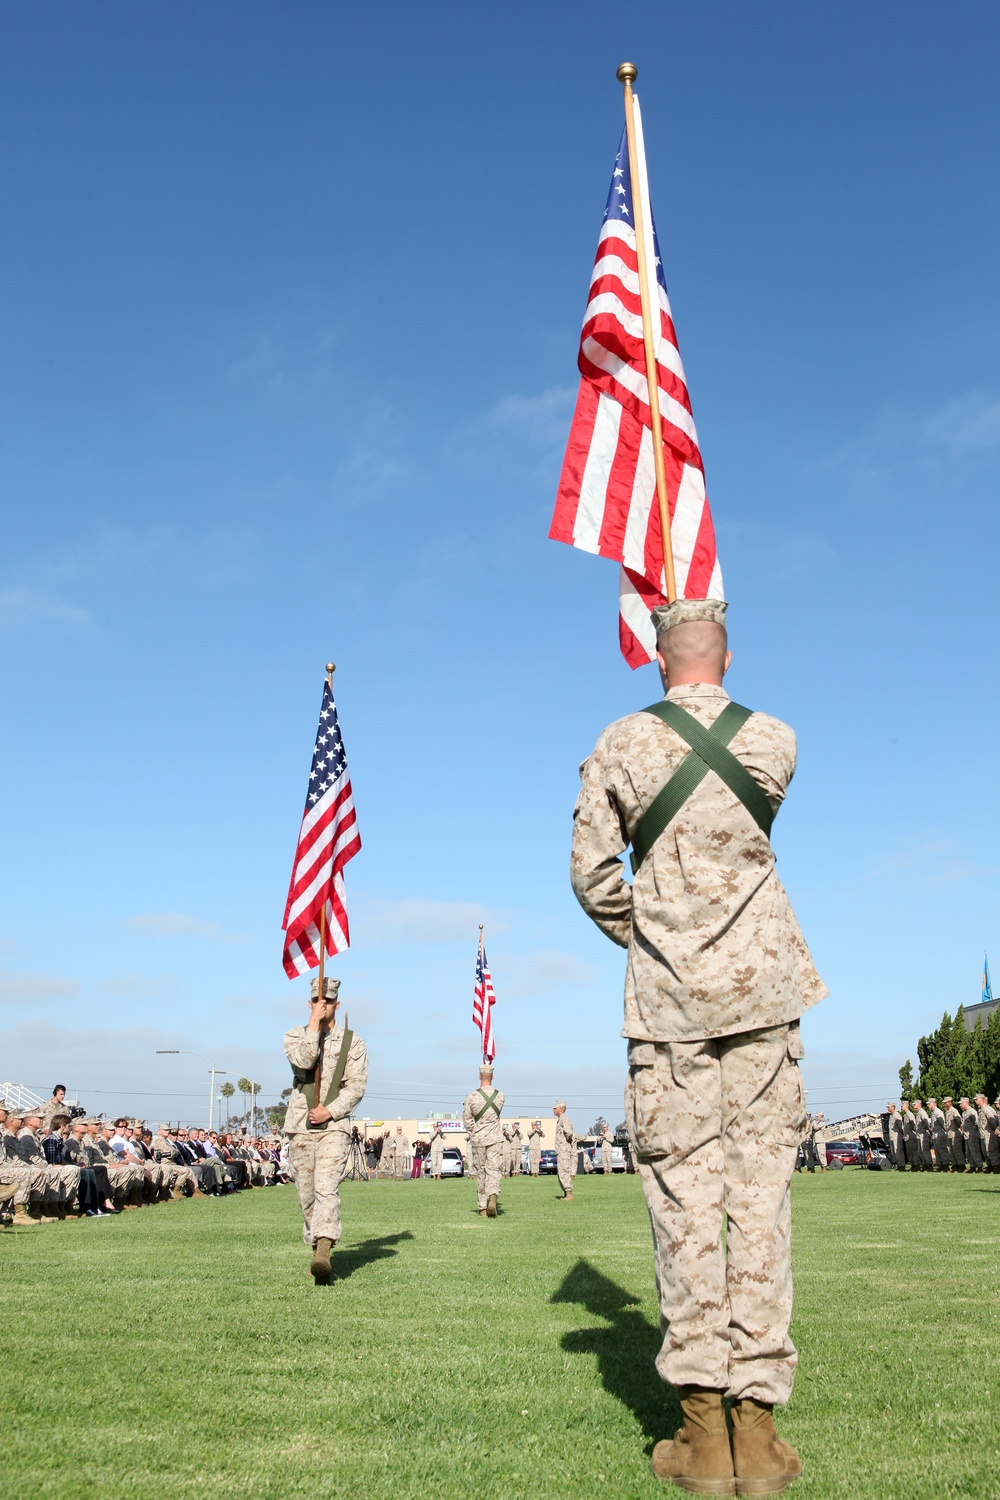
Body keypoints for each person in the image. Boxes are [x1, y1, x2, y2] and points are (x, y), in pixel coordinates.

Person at [570, 597, 826, 1494]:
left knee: (684, 1205)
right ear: (725, 652)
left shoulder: (622, 744)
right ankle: (757, 1436)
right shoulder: (776, 740)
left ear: (656, 655)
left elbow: (591, 872)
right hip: (764, 997)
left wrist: (653, 934)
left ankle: (701, 1439)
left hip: (668, 1007)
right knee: (759, 1207)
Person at [283, 975, 368, 1284]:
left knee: (325, 1187)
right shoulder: (294, 1036)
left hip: (334, 1127)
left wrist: (330, 1111)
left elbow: (356, 1086)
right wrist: (313, 1025)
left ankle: (324, 1249)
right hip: (300, 1127)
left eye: (328, 1002)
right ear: (310, 1003)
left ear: (337, 1003)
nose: (324, 1006)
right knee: (306, 1195)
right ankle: (316, 1245)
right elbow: (303, 1061)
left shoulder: (353, 1042)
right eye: (318, 1001)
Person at [462, 1064, 504, 1217]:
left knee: (481, 1172)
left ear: (479, 1076)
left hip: (478, 1139)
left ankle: (482, 1208)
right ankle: (492, 1197)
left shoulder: (471, 1097)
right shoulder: (500, 1096)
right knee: (493, 1170)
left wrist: (474, 1132)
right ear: (492, 1077)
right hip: (495, 1138)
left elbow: (467, 1119)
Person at [553, 1103, 576, 1201]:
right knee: (561, 1172)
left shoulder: (564, 1119)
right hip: (561, 1151)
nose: (553, 1109)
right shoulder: (560, 1120)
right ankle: (566, 1193)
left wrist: (569, 1140)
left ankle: (569, 1194)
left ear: (561, 1109)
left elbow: (569, 1132)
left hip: (564, 1150)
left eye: (555, 1108)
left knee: (564, 1171)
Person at [975, 1095, 999, 1172]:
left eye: (976, 1099)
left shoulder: (986, 1109)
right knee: (985, 1152)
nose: (975, 1101)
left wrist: (995, 1129)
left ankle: (996, 1166)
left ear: (981, 1099)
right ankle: (990, 1166)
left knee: (991, 1151)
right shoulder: (981, 1110)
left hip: (988, 1134)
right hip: (983, 1134)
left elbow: (992, 1119)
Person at [960, 1097, 983, 1172]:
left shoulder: (972, 1111)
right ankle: (972, 1166)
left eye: (961, 1103)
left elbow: (976, 1123)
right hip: (966, 1135)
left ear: (966, 1103)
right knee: (968, 1152)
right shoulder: (964, 1112)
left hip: (972, 1134)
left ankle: (979, 1166)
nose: (960, 1105)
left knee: (975, 1151)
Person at [943, 1097, 964, 1172]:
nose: (944, 1104)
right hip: (949, 1134)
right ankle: (955, 1164)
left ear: (950, 1102)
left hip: (955, 1133)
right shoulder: (947, 1111)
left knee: (957, 1150)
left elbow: (958, 1120)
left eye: (945, 1102)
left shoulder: (953, 1110)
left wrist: (960, 1128)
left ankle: (961, 1165)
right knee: (950, 1150)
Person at [912, 1099, 933, 1171]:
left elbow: (926, 1122)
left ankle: (929, 1165)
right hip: (919, 1134)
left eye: (914, 1104)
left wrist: (928, 1129)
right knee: (920, 1151)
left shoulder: (922, 1112)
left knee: (925, 1150)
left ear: (919, 1104)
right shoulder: (918, 1113)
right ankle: (924, 1164)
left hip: (923, 1134)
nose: (913, 1106)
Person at [928, 1099, 948, 1171]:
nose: (928, 1105)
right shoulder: (933, 1113)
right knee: (937, 1151)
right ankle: (940, 1165)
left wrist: (946, 1131)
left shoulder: (938, 1112)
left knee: (942, 1150)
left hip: (940, 1134)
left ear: (933, 1103)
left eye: (929, 1104)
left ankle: (946, 1165)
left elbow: (942, 1123)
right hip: (935, 1135)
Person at [886, 1102, 905, 1170]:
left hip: (897, 1136)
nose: (888, 1108)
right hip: (892, 1136)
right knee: (894, 1152)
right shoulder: (891, 1115)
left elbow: (900, 1126)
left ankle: (901, 1166)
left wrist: (903, 1134)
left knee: (898, 1151)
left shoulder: (896, 1115)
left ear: (893, 1107)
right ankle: (898, 1165)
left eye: (889, 1107)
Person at [901, 1101, 919, 1169]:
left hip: (911, 1136)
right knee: (909, 1152)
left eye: (902, 1106)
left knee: (913, 1151)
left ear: (906, 1106)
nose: (901, 1107)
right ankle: (913, 1165)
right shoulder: (905, 1115)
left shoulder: (910, 1114)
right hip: (907, 1136)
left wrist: (913, 1131)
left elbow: (913, 1125)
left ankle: (916, 1165)